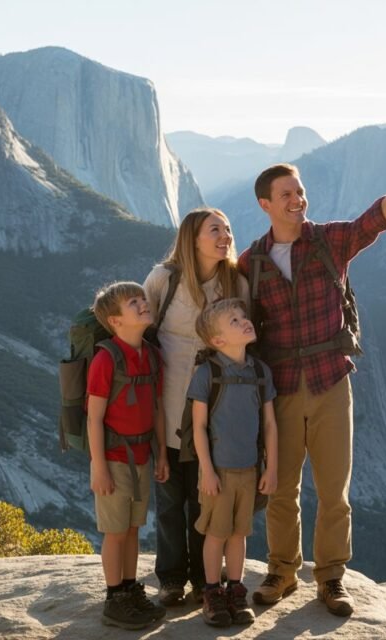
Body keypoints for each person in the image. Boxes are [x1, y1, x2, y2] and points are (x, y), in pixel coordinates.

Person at [240, 162, 386, 616]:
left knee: (334, 489)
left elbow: (376, 219)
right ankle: (281, 571)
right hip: (280, 390)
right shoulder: (251, 263)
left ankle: (331, 578)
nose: (298, 200)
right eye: (287, 195)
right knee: (281, 489)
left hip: (330, 382)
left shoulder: (329, 241)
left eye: (300, 192)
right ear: (265, 205)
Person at [142, 208, 250, 606]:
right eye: (215, 230)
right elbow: (142, 330)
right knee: (170, 496)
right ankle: (171, 578)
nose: (225, 236)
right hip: (168, 403)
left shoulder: (236, 282)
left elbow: (245, 337)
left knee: (205, 497)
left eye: (228, 229)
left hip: (216, 405)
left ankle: (204, 577)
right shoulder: (163, 279)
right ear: (192, 237)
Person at [189, 298, 278, 627]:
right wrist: (207, 471)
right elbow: (197, 426)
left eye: (243, 317)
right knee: (215, 533)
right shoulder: (207, 373)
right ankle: (212, 592)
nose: (244, 322)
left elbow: (269, 424)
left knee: (239, 533)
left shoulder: (260, 372)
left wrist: (272, 467)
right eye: (234, 321)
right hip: (219, 472)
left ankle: (235, 589)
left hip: (249, 469)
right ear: (217, 341)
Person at [87, 281, 170, 630]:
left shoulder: (150, 355)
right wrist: (98, 467)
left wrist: (161, 453)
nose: (143, 305)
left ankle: (130, 588)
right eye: (132, 303)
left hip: (141, 456)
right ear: (115, 320)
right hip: (115, 457)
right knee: (116, 531)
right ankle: (113, 597)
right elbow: (93, 417)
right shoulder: (106, 359)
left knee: (134, 527)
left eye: (142, 299)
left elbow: (157, 410)